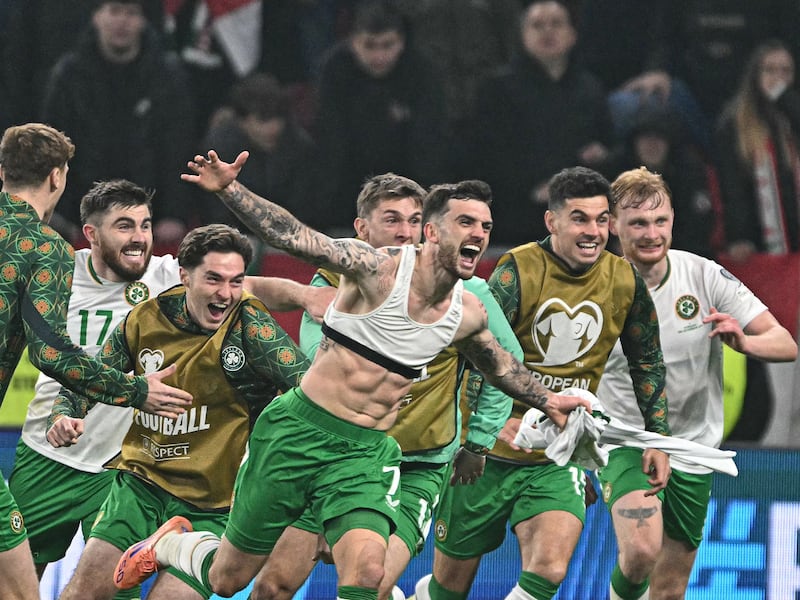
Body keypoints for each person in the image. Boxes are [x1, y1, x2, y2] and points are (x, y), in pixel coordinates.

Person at [112, 149, 592, 600]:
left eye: (485, 226)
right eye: (464, 222)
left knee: (367, 575)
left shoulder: (467, 311)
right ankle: (173, 544)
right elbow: (292, 236)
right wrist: (230, 191)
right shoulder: (376, 270)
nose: (479, 234)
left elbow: (500, 366)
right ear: (431, 231)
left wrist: (550, 403)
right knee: (227, 578)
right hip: (297, 433)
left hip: (366, 451)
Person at [6, 178, 331, 593]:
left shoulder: (249, 325)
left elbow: (312, 398)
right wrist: (64, 414)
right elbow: (81, 380)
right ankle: (166, 548)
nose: (139, 236)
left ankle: (173, 549)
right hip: (115, 475)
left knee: (219, 583)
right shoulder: (133, 311)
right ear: (186, 278)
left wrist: (305, 296)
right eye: (125, 226)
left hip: (208, 497)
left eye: (145, 225)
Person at [257, 173, 520, 600]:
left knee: (371, 584)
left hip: (419, 463)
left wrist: (480, 441)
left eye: (414, 221)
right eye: (391, 220)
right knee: (272, 586)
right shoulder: (331, 286)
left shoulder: (468, 292)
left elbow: (507, 367)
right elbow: (313, 364)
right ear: (361, 230)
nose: (404, 232)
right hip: (334, 455)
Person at [414, 166, 670, 600]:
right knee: (450, 588)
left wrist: (658, 439)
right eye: (580, 219)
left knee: (549, 571)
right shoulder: (517, 270)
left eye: (602, 219)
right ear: (552, 222)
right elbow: (478, 355)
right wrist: (486, 428)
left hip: (556, 455)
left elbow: (647, 361)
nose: (594, 231)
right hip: (488, 455)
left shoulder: (625, 280)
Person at [0, 123, 190, 600]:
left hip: (118, 465)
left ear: (3, 172)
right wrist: (138, 390)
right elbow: (50, 352)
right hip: (51, 458)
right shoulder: (46, 250)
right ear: (58, 178)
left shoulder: (160, 277)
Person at [596, 166, 797, 600]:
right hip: (625, 439)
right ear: (613, 225)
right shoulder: (592, 286)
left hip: (693, 447)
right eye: (638, 223)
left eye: (660, 221)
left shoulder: (704, 276)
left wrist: (744, 341)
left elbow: (785, 343)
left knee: (669, 589)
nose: (652, 233)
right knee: (641, 551)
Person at [41, 0, 196, 247]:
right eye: (114, 11)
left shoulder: (168, 76)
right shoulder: (68, 75)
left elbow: (177, 148)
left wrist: (174, 214)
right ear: (96, 17)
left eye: (131, 13)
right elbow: (51, 152)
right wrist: (58, 212)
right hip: (81, 213)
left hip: (149, 214)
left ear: (143, 20)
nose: (122, 21)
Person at [469, 0, 615, 245]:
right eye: (537, 25)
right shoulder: (497, 90)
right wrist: (534, 186)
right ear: (523, 35)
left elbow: (607, 143)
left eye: (556, 24)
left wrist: (600, 153)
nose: (548, 31)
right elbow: (488, 155)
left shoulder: (590, 89)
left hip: (580, 209)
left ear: (572, 34)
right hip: (517, 210)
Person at [312, 0, 450, 233]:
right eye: (369, 45)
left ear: (402, 42)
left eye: (387, 45)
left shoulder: (422, 72)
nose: (379, 55)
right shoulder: (335, 70)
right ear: (353, 41)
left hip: (410, 183)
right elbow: (331, 144)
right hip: (347, 188)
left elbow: (429, 146)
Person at [715, 39, 800, 261]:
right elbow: (730, 185)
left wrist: (790, 105)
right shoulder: (735, 122)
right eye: (770, 70)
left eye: (786, 71)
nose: (778, 78)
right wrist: (738, 236)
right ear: (756, 75)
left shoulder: (791, 119)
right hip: (757, 239)